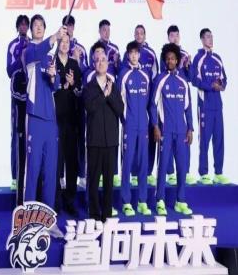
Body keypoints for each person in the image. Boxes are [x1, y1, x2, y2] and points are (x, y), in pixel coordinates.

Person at [23, 14, 66, 238]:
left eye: (41, 25)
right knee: (33, 172)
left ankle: (49, 222)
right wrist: (55, 37)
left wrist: (52, 76)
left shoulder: (50, 57)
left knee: (50, 173)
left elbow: (56, 85)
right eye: (35, 25)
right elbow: (38, 52)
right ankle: (28, 223)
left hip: (51, 121)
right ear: (31, 30)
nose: (38, 28)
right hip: (35, 118)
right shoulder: (29, 51)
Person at [151, 43, 194, 216]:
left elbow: (188, 108)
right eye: (167, 59)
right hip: (165, 131)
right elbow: (153, 105)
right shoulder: (160, 80)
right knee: (163, 166)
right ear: (165, 60)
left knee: (182, 166)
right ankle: (160, 200)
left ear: (177, 61)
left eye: (173, 59)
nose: (170, 61)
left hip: (181, 131)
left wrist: (190, 128)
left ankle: (180, 201)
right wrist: (155, 126)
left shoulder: (183, 82)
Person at [83, 52, 124, 223]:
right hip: (95, 141)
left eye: (103, 60)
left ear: (108, 64)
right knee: (93, 180)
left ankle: (107, 214)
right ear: (94, 64)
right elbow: (90, 108)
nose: (100, 63)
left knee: (108, 181)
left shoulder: (114, 86)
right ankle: (94, 214)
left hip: (111, 141)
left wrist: (109, 95)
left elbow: (120, 109)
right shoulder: (89, 87)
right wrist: (103, 96)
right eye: (97, 60)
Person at [191, 28, 230, 185]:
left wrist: (221, 85)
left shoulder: (217, 58)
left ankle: (218, 172)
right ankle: (204, 173)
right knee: (204, 140)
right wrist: (210, 86)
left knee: (219, 139)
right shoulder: (198, 58)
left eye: (212, 36)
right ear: (202, 39)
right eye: (208, 37)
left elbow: (224, 78)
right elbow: (194, 80)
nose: (211, 39)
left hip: (217, 105)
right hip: (205, 106)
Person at [118, 42, 152, 217]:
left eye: (136, 53)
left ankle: (142, 201)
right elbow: (120, 100)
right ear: (127, 55)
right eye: (130, 53)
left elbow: (148, 101)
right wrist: (125, 121)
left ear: (139, 55)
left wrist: (147, 122)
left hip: (143, 125)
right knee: (128, 162)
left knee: (143, 163)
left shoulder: (146, 75)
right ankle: (126, 202)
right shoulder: (124, 75)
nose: (133, 56)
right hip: (129, 125)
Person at [158, 25, 195, 187]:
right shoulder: (165, 59)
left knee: (182, 153)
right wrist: (156, 125)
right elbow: (163, 73)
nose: (174, 38)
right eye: (171, 35)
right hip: (167, 118)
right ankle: (168, 177)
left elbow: (190, 79)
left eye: (176, 35)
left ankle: (183, 183)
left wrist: (188, 66)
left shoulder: (185, 56)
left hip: (180, 115)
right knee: (165, 155)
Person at [54, 33, 82, 215]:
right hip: (55, 119)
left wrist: (73, 85)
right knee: (56, 162)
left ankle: (70, 200)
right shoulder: (52, 62)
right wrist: (62, 86)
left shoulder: (74, 64)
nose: (64, 45)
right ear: (57, 43)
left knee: (72, 162)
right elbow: (47, 89)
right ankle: (56, 200)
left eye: (67, 42)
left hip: (72, 120)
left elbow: (80, 91)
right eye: (62, 42)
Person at [62, 14, 88, 188]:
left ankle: (82, 175)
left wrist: (78, 62)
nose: (69, 29)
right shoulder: (59, 46)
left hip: (79, 99)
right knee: (63, 138)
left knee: (80, 138)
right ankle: (62, 175)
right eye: (66, 26)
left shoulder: (80, 49)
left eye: (71, 25)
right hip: (64, 101)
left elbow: (87, 73)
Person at [6, 14, 29, 196]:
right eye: (20, 25)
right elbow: (9, 70)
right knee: (16, 133)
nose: (23, 27)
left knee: (31, 133)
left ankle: (29, 174)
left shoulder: (33, 43)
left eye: (25, 25)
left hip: (31, 91)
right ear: (17, 27)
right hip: (17, 91)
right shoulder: (13, 45)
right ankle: (15, 176)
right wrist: (20, 58)